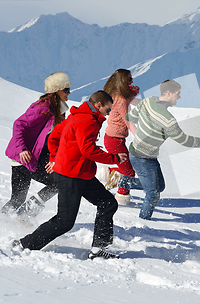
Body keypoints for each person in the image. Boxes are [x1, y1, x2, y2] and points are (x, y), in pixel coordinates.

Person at [14, 91, 127, 260]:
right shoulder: (87, 121)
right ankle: (25, 243)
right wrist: (114, 158)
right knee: (65, 221)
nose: (109, 113)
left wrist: (53, 158)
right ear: (98, 105)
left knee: (108, 203)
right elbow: (88, 150)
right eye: (107, 109)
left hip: (82, 173)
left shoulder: (76, 116)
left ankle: (98, 250)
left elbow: (53, 137)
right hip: (70, 175)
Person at [123, 79, 200, 220]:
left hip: (146, 155)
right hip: (141, 156)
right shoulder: (168, 120)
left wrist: (147, 123)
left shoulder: (147, 102)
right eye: (177, 93)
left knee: (160, 186)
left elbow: (130, 117)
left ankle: (123, 181)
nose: (179, 97)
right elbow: (185, 140)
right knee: (153, 194)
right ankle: (143, 224)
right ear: (168, 93)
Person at [2, 72, 71, 224]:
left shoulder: (59, 109)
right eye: (66, 89)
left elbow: (55, 138)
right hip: (24, 157)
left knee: (17, 198)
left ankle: (7, 221)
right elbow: (19, 124)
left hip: (35, 156)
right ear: (56, 90)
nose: (69, 93)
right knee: (59, 181)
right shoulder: (44, 106)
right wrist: (22, 149)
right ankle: (25, 215)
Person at [101, 69, 140, 206]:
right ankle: (121, 197)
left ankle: (109, 183)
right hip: (114, 140)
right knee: (128, 171)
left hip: (114, 139)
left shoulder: (118, 95)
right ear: (123, 81)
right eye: (129, 80)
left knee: (127, 170)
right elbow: (128, 121)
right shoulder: (121, 100)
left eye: (132, 79)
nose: (132, 82)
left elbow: (134, 101)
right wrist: (139, 137)